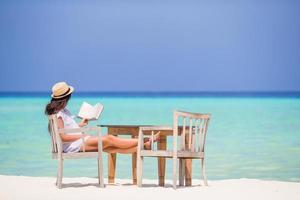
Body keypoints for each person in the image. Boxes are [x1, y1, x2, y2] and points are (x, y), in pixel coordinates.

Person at [45, 82, 159, 153]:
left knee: (110, 147)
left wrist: (81, 125)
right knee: (110, 139)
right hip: (73, 145)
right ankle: (146, 140)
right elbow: (63, 137)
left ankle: (145, 145)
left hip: (76, 142)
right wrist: (82, 134)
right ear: (65, 98)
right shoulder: (58, 115)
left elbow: (66, 130)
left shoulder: (62, 111)